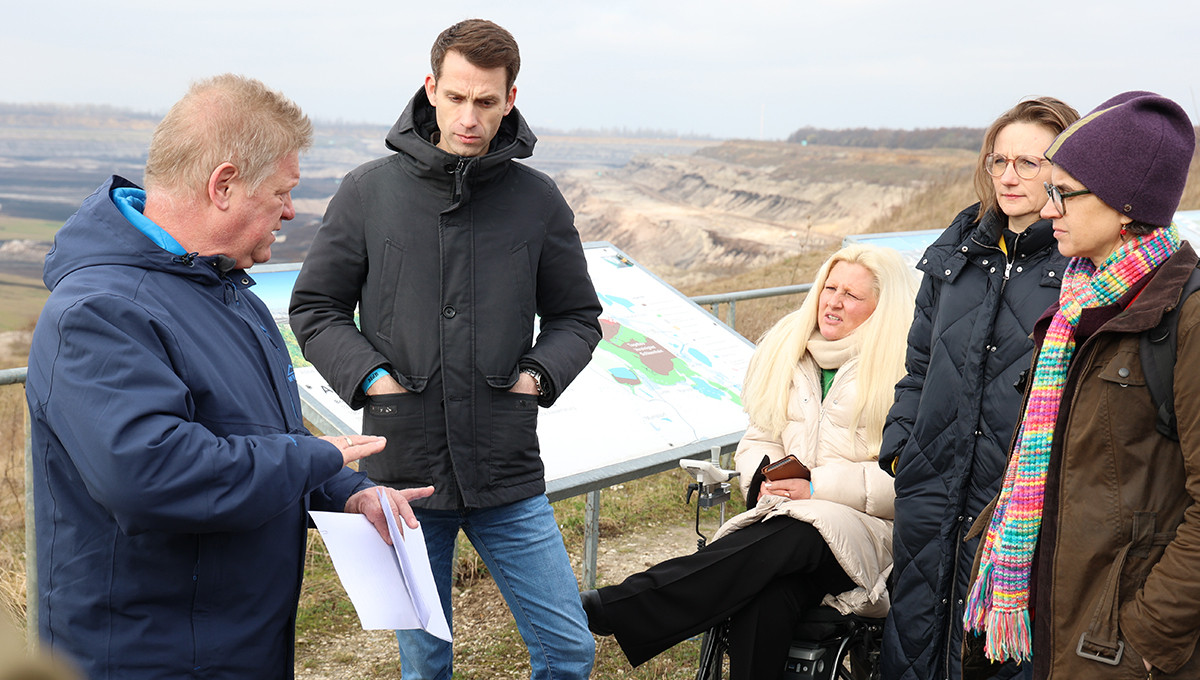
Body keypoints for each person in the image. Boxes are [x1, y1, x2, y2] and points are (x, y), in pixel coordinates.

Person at [23, 74, 434, 679]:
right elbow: (152, 475)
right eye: (281, 192)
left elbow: (258, 437)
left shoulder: (220, 288)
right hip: (151, 654)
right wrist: (317, 460)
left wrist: (349, 492)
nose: (291, 212)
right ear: (223, 185)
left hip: (232, 640)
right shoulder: (100, 312)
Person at [288, 19, 602, 680]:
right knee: (426, 663)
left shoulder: (537, 201)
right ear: (431, 87)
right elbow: (314, 309)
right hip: (403, 474)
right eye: (456, 97)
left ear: (510, 99)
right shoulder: (368, 192)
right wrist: (373, 377)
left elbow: (578, 317)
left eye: (486, 102)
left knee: (570, 650)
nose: (469, 116)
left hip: (507, 472)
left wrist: (537, 378)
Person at [580, 244, 916, 680]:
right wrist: (763, 478)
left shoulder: (905, 370)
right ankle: (625, 606)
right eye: (829, 288)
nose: (833, 302)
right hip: (783, 526)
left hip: (869, 537)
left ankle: (619, 606)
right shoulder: (789, 352)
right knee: (765, 598)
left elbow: (908, 477)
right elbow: (760, 436)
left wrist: (815, 487)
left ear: (882, 307)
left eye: (851, 295)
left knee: (801, 529)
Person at [963, 91, 1199, 679]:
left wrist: (1145, 635)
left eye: (1064, 193)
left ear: (1125, 205)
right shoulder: (1075, 307)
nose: (1048, 210)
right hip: (1060, 627)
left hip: (1120, 647)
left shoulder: (1184, 318)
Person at [879, 97, 1079, 680]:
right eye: (1000, 161)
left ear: (1065, 172)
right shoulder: (958, 250)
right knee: (916, 641)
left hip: (1019, 500)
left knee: (999, 655)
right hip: (932, 483)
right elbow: (919, 363)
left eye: (1030, 163)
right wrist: (902, 446)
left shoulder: (1079, 263)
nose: (1010, 176)